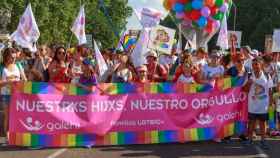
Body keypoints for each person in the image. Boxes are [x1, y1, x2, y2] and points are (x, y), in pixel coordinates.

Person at [244, 57, 273, 150]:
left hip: (263, 105)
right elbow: (245, 90)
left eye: (256, 64)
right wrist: (249, 83)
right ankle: (249, 139)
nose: (254, 66)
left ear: (261, 65)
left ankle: (263, 140)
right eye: (253, 65)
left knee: (262, 123)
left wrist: (271, 102)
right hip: (252, 105)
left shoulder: (266, 75)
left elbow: (270, 90)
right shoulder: (249, 76)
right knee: (251, 122)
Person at [0, 48, 27, 146]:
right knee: (7, 116)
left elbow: (24, 79)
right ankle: (8, 139)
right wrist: (9, 81)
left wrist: (20, 81)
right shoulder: (2, 67)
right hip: (6, 94)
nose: (13, 60)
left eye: (15, 57)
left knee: (19, 116)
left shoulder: (18, 65)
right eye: (12, 58)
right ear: (6, 57)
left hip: (18, 95)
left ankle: (18, 137)